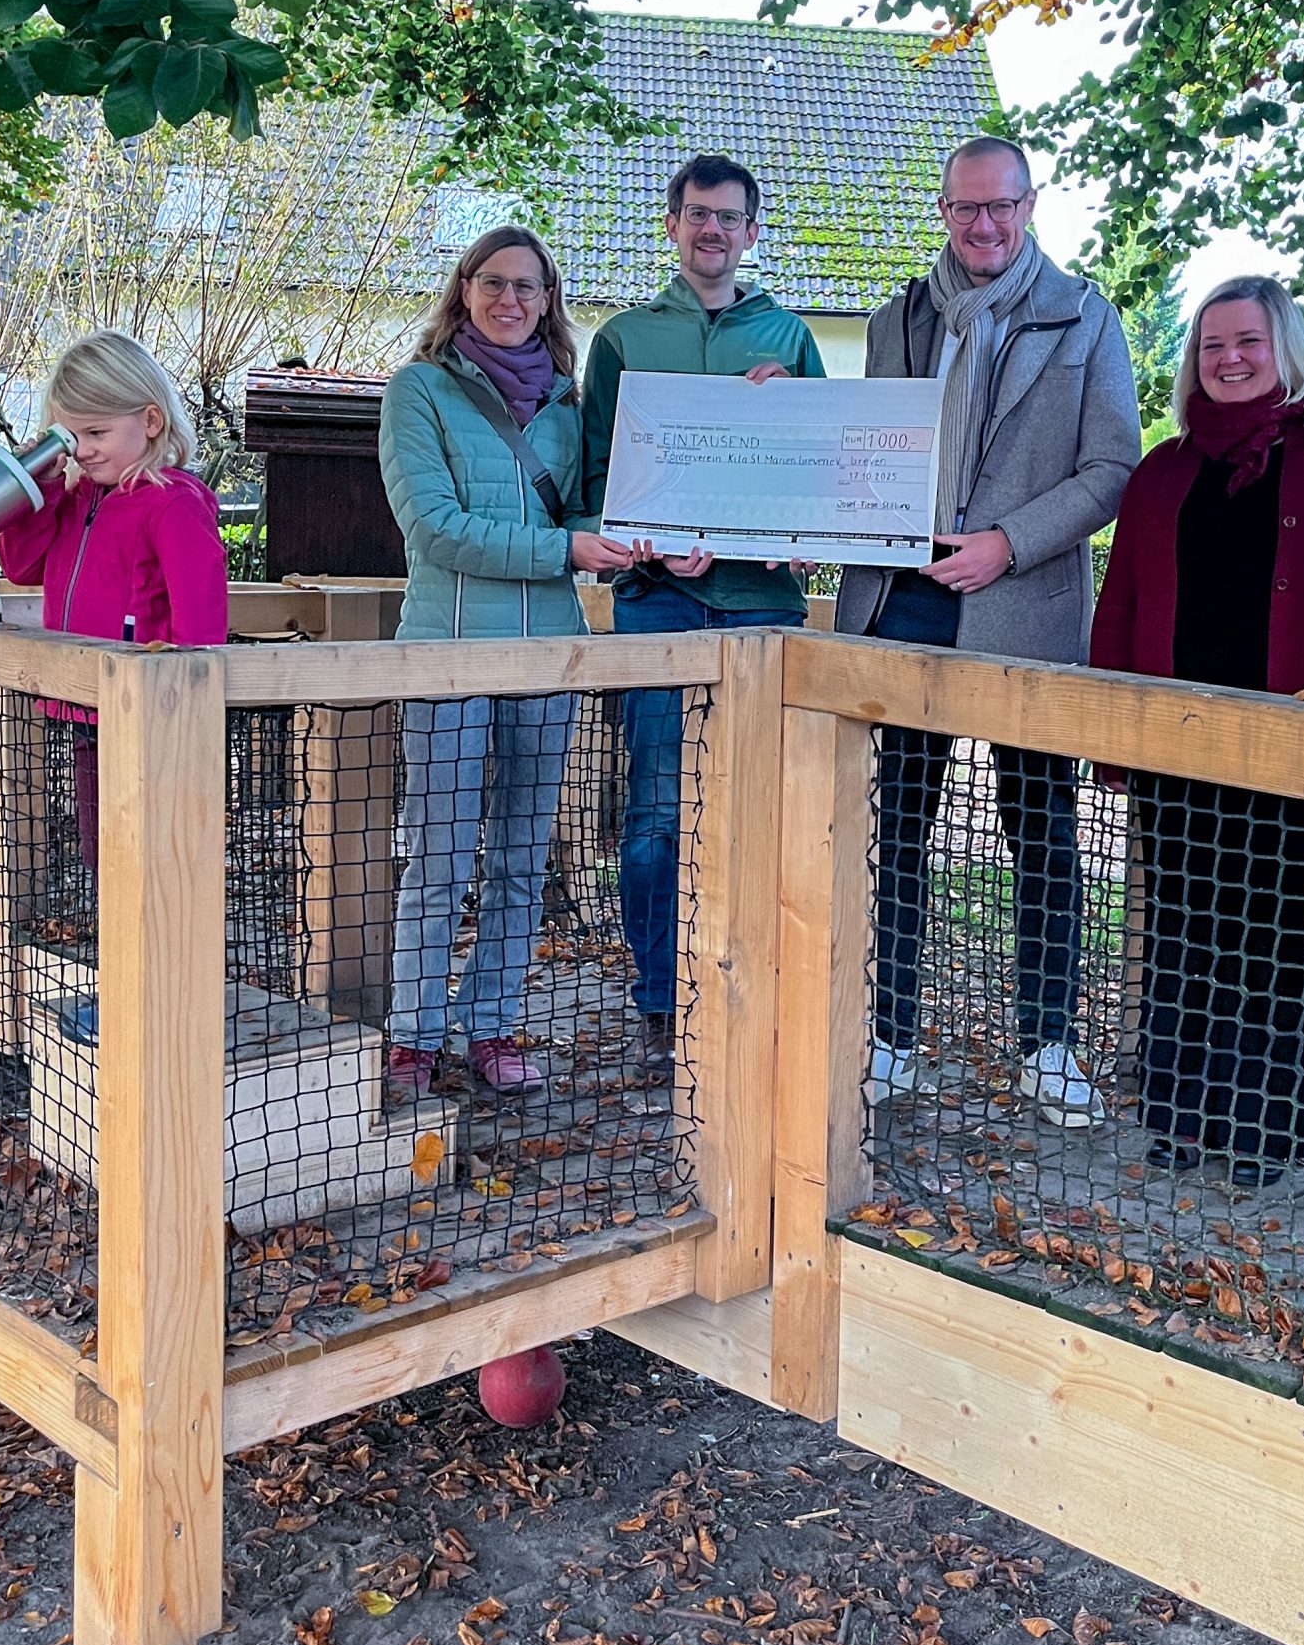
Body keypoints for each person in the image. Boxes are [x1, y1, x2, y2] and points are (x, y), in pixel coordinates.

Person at [1092, 277, 1304, 1185]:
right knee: (1185, 930)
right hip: (1178, 747)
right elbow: (1122, 599)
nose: (1229, 359)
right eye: (1212, 345)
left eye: (1248, 341)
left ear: (1286, 348)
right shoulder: (1163, 469)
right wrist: (1113, 734)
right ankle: (1179, 1114)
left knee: (1287, 940)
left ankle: (1268, 1130)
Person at [837, 136, 1140, 1125]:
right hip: (903, 604)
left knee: (1041, 833)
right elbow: (861, 453)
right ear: (942, 210)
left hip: (1025, 610)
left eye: (1000, 206)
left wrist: (1005, 545)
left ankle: (1047, 1045)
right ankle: (887, 1035)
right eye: (965, 207)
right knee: (894, 831)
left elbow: (1112, 469)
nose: (983, 225)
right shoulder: (894, 321)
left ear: (1028, 205)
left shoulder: (1086, 318)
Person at [580, 155, 824, 1085]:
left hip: (761, 608)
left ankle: (755, 992)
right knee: (653, 812)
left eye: (728, 216)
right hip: (658, 606)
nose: (711, 229)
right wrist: (642, 544)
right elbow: (599, 479)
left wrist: (801, 527)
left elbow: (820, 472)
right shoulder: (624, 339)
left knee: (763, 806)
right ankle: (660, 999)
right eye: (696, 214)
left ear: (752, 231)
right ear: (672, 224)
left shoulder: (789, 337)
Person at [380, 226, 632, 1096]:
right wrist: (566, 550)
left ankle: (490, 1026)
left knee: (523, 857)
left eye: (528, 286)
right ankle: (414, 1036)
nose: (510, 300)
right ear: (464, 289)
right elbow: (436, 529)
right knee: (440, 859)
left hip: (548, 658)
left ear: (548, 299)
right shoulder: (417, 390)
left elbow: (597, 507)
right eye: (493, 282)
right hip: (447, 653)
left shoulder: (568, 402)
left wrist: (640, 533)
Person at [0, 328, 231, 1044]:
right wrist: (40, 485)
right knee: (107, 859)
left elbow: (201, 627)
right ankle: (125, 990)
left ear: (150, 421)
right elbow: (20, 566)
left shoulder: (172, 503)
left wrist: (186, 716)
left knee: (151, 860)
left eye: (96, 433)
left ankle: (159, 996)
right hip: (88, 712)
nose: (84, 449)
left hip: (153, 719)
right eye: (71, 435)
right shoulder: (77, 498)